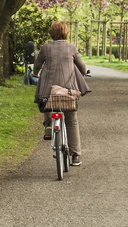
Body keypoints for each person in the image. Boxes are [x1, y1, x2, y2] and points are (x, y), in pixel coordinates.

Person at [33, 21, 90, 166]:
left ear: (52, 33)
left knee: (46, 103)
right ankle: (76, 155)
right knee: (71, 120)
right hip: (68, 90)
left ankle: (48, 125)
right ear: (66, 32)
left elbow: (37, 65)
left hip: (49, 89)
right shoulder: (71, 47)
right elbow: (81, 67)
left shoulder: (46, 48)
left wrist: (35, 73)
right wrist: (84, 72)